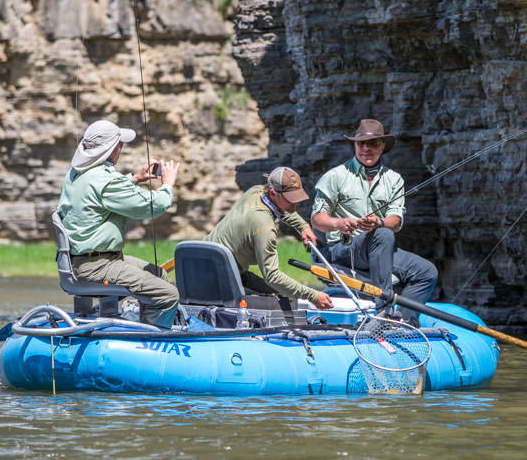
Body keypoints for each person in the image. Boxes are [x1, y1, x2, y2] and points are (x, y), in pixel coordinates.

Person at [310, 118, 437, 323]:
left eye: (373, 143)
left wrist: (379, 222)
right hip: (343, 249)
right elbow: (317, 219)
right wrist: (339, 224)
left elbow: (395, 221)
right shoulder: (335, 176)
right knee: (383, 235)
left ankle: (405, 323)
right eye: (361, 144)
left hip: (379, 247)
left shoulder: (394, 179)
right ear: (355, 145)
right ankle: (383, 309)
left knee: (426, 271)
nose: (366, 149)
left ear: (382, 146)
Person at [57, 119, 181, 328]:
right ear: (109, 149)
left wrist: (135, 178)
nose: (121, 147)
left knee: (159, 274)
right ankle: (151, 340)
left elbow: (101, 189)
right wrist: (167, 186)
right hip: (99, 266)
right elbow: (151, 206)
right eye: (119, 144)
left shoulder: (75, 173)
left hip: (80, 262)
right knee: (168, 294)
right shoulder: (107, 181)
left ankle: (143, 323)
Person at [206, 167, 334, 310]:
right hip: (217, 282)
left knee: (282, 294)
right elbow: (272, 276)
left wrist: (303, 226)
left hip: (211, 266)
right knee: (283, 303)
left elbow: (281, 209)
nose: (296, 203)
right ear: (273, 193)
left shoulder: (255, 192)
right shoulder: (264, 227)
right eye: (291, 199)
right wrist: (313, 296)